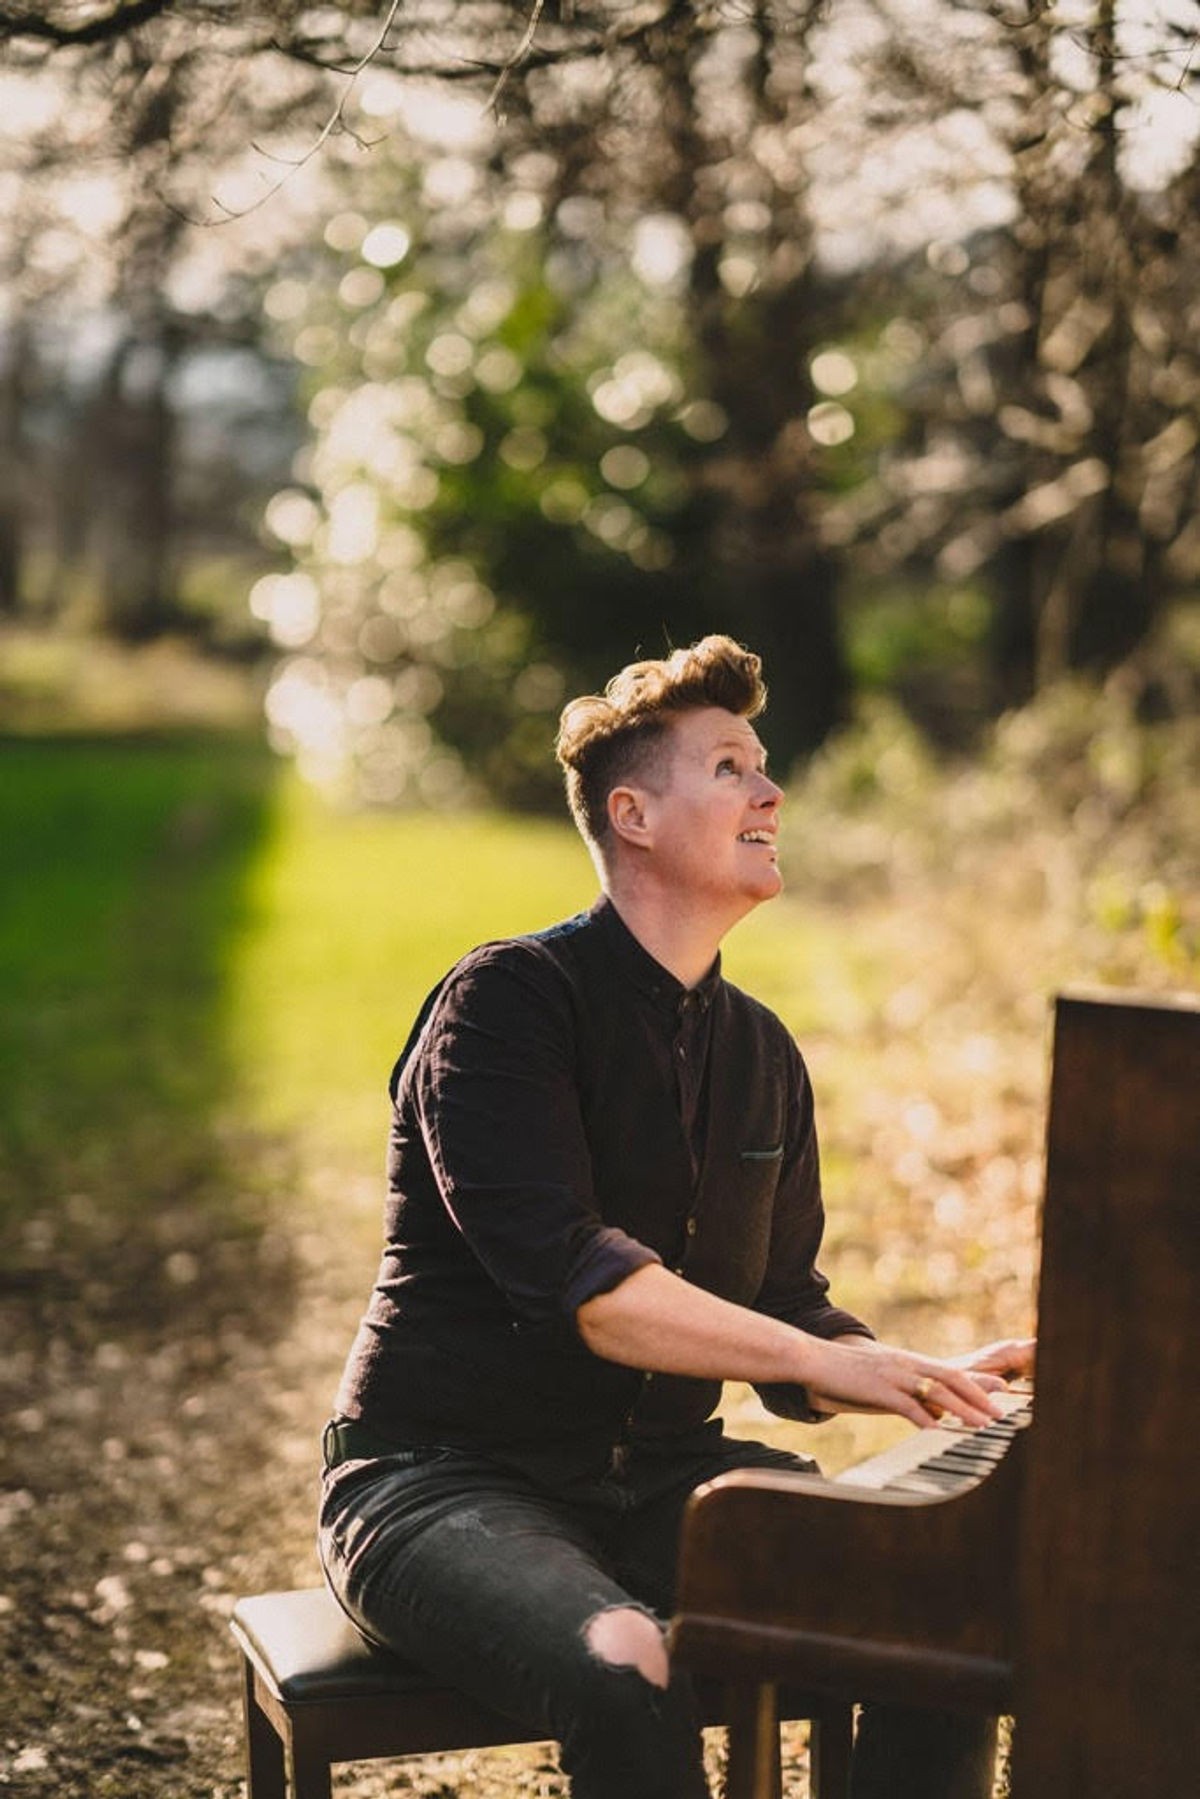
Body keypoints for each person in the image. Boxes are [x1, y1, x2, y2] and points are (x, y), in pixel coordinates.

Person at [319, 635, 1033, 1799]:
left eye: (765, 765)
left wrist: (912, 1371)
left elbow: (783, 1309)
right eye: (730, 767)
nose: (771, 790)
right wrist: (812, 1354)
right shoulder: (503, 1005)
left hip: (665, 1480)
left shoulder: (762, 1051)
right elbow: (595, 1296)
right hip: (439, 1481)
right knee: (629, 1658)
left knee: (936, 1618)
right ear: (633, 813)